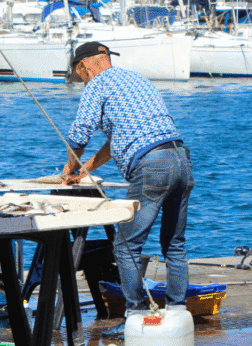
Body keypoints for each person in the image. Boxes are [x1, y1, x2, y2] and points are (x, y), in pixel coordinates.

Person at [61, 41, 194, 338]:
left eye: (79, 75)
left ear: (83, 66)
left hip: (152, 167)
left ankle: (135, 315)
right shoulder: (137, 80)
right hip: (181, 159)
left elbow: (79, 134)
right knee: (174, 244)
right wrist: (85, 170)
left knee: (125, 245)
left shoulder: (97, 85)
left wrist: (69, 167)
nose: (81, 80)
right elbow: (118, 140)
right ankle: (178, 312)